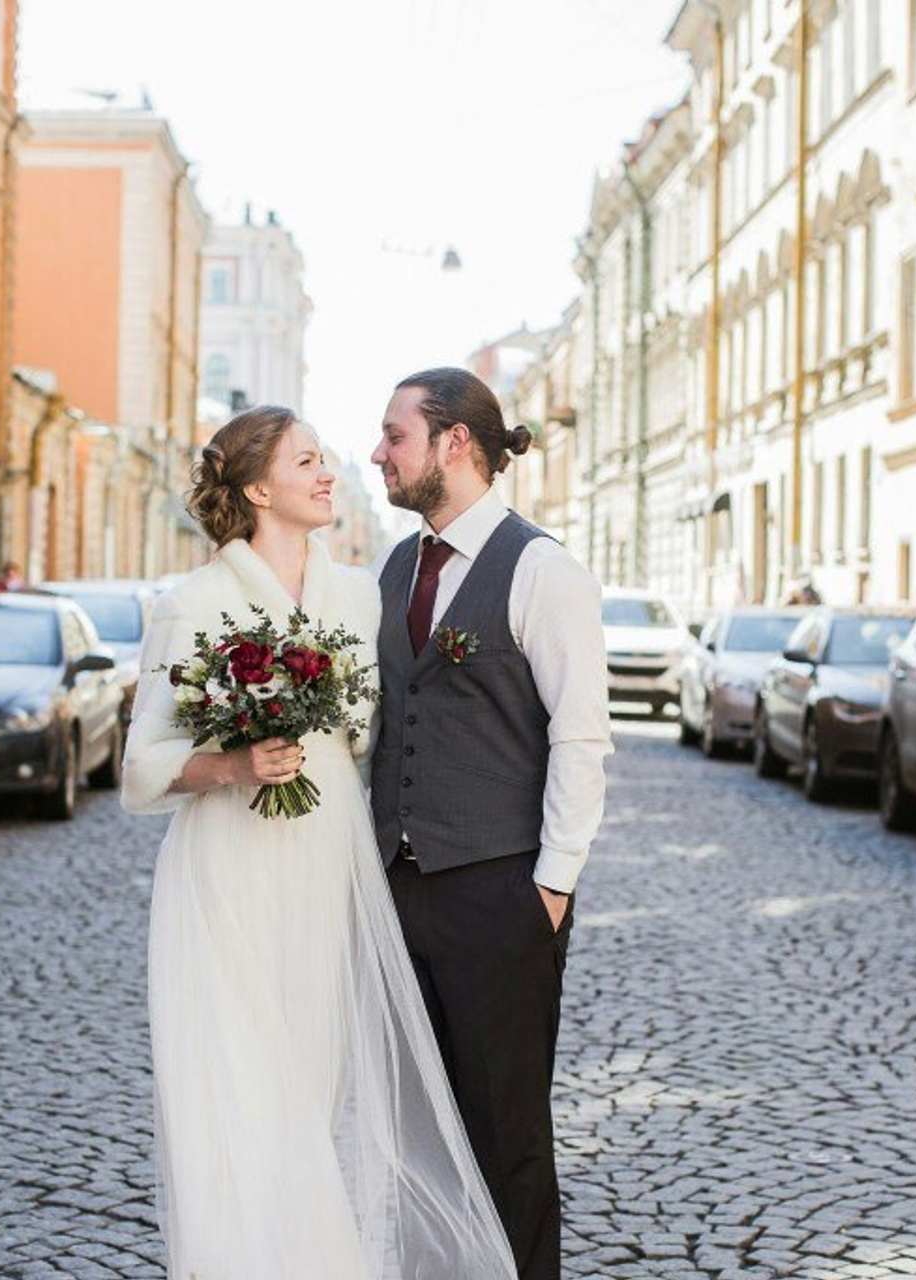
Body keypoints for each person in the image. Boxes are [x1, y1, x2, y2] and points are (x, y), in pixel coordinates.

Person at [121, 405, 517, 1280]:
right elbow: (140, 769)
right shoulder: (193, 604)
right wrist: (229, 764)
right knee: (236, 1101)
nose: (331, 471)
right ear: (260, 487)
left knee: (310, 1093)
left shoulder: (355, 594)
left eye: (327, 458)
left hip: (328, 871)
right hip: (229, 877)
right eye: (308, 460)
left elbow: (374, 738)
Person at [369, 368, 613, 1280]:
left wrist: (549, 890)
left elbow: (582, 739)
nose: (378, 454)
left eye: (395, 436)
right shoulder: (398, 566)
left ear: (455, 443)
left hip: (499, 894)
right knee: (420, 1138)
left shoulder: (542, 570)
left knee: (507, 1136)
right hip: (401, 892)